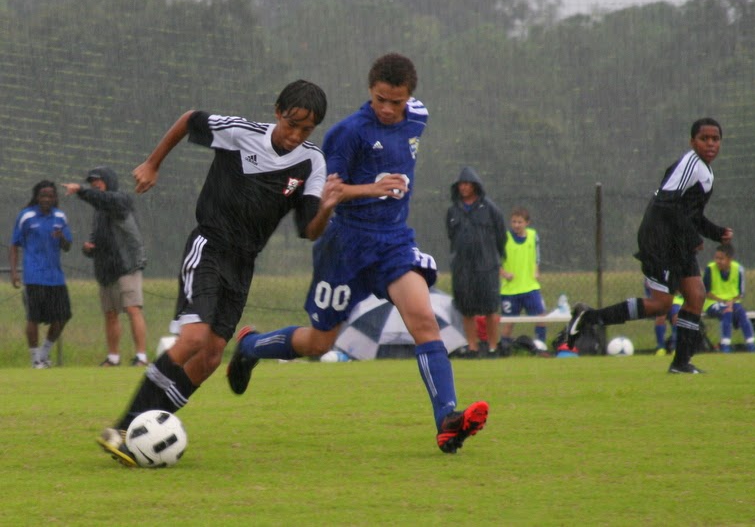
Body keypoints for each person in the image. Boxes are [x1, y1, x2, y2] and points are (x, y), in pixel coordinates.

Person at [227, 53, 489, 454]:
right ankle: (250, 347)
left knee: (424, 322)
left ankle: (447, 421)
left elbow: (411, 129)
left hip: (393, 243)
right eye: (380, 99)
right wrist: (371, 188)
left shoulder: (418, 117)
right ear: (370, 90)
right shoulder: (348, 134)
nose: (387, 108)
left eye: (396, 101)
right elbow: (327, 193)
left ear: (409, 98)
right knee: (319, 343)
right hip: (345, 246)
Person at [95, 79, 340, 467]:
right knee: (193, 337)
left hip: (243, 264)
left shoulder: (312, 162)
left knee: (209, 359)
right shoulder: (240, 133)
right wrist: (152, 163)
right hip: (209, 246)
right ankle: (124, 429)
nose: (296, 135)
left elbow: (309, 230)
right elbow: (190, 118)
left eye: (306, 130)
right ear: (278, 111)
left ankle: (150, 429)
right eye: (292, 124)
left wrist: (326, 207)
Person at [566, 118, 732, 374]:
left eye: (715, 139)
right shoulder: (690, 164)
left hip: (677, 240)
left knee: (696, 295)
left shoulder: (706, 171)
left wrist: (715, 232)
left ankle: (681, 364)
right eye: (704, 138)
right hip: (660, 239)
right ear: (692, 142)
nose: (710, 143)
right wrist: (693, 236)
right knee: (661, 305)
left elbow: (691, 214)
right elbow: (666, 203)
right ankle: (589, 318)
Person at [64, 167, 149, 367]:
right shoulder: (99, 211)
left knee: (132, 309)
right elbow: (97, 238)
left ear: (109, 181)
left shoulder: (120, 200)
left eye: (98, 181)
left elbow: (106, 200)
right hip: (106, 270)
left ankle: (141, 357)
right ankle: (113, 358)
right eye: (92, 182)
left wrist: (81, 190)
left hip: (127, 265)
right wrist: (89, 249)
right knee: (110, 314)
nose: (95, 184)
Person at [9, 180, 73, 368]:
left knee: (63, 317)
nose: (46, 199)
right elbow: (14, 245)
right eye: (43, 195)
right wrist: (14, 272)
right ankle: (35, 359)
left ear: (55, 198)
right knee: (33, 318)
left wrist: (61, 237)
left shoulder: (60, 217)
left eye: (50, 196)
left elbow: (68, 246)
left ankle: (45, 353)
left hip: (55, 277)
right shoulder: (26, 216)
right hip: (34, 275)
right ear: (37, 197)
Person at [446, 166, 506, 357]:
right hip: (463, 268)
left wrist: (494, 257)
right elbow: (451, 235)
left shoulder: (489, 209)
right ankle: (472, 347)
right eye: (461, 184)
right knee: (467, 309)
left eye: (467, 184)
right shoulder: (453, 210)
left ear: (475, 186)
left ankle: (493, 347)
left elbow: (500, 235)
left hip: (486, 266)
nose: (464, 188)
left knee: (490, 308)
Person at [499, 207, 547, 353]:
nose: (516, 225)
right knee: (509, 322)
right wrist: (504, 273)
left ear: (527, 222)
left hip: (530, 287)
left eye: (520, 222)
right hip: (510, 290)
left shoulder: (533, 236)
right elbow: (495, 261)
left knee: (541, 318)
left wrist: (536, 269)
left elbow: (536, 255)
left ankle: (540, 347)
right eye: (514, 222)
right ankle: (504, 350)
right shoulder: (505, 238)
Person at [703, 243, 755, 352]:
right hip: (713, 302)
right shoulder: (710, 269)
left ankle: (751, 345)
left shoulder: (738, 269)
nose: (718, 261)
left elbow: (740, 293)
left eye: (721, 258)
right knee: (726, 312)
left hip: (732, 302)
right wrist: (722, 301)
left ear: (729, 259)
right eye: (716, 258)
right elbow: (705, 292)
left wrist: (731, 301)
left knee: (742, 314)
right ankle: (725, 346)